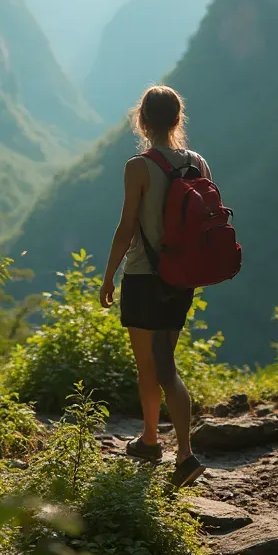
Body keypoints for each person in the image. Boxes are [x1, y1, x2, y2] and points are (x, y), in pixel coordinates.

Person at [99, 84, 207, 489]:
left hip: (145, 276)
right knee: (164, 359)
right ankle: (153, 442)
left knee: (156, 365)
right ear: (178, 120)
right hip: (181, 277)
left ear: (142, 120)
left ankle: (180, 452)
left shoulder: (138, 167)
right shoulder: (198, 163)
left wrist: (109, 274)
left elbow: (127, 227)